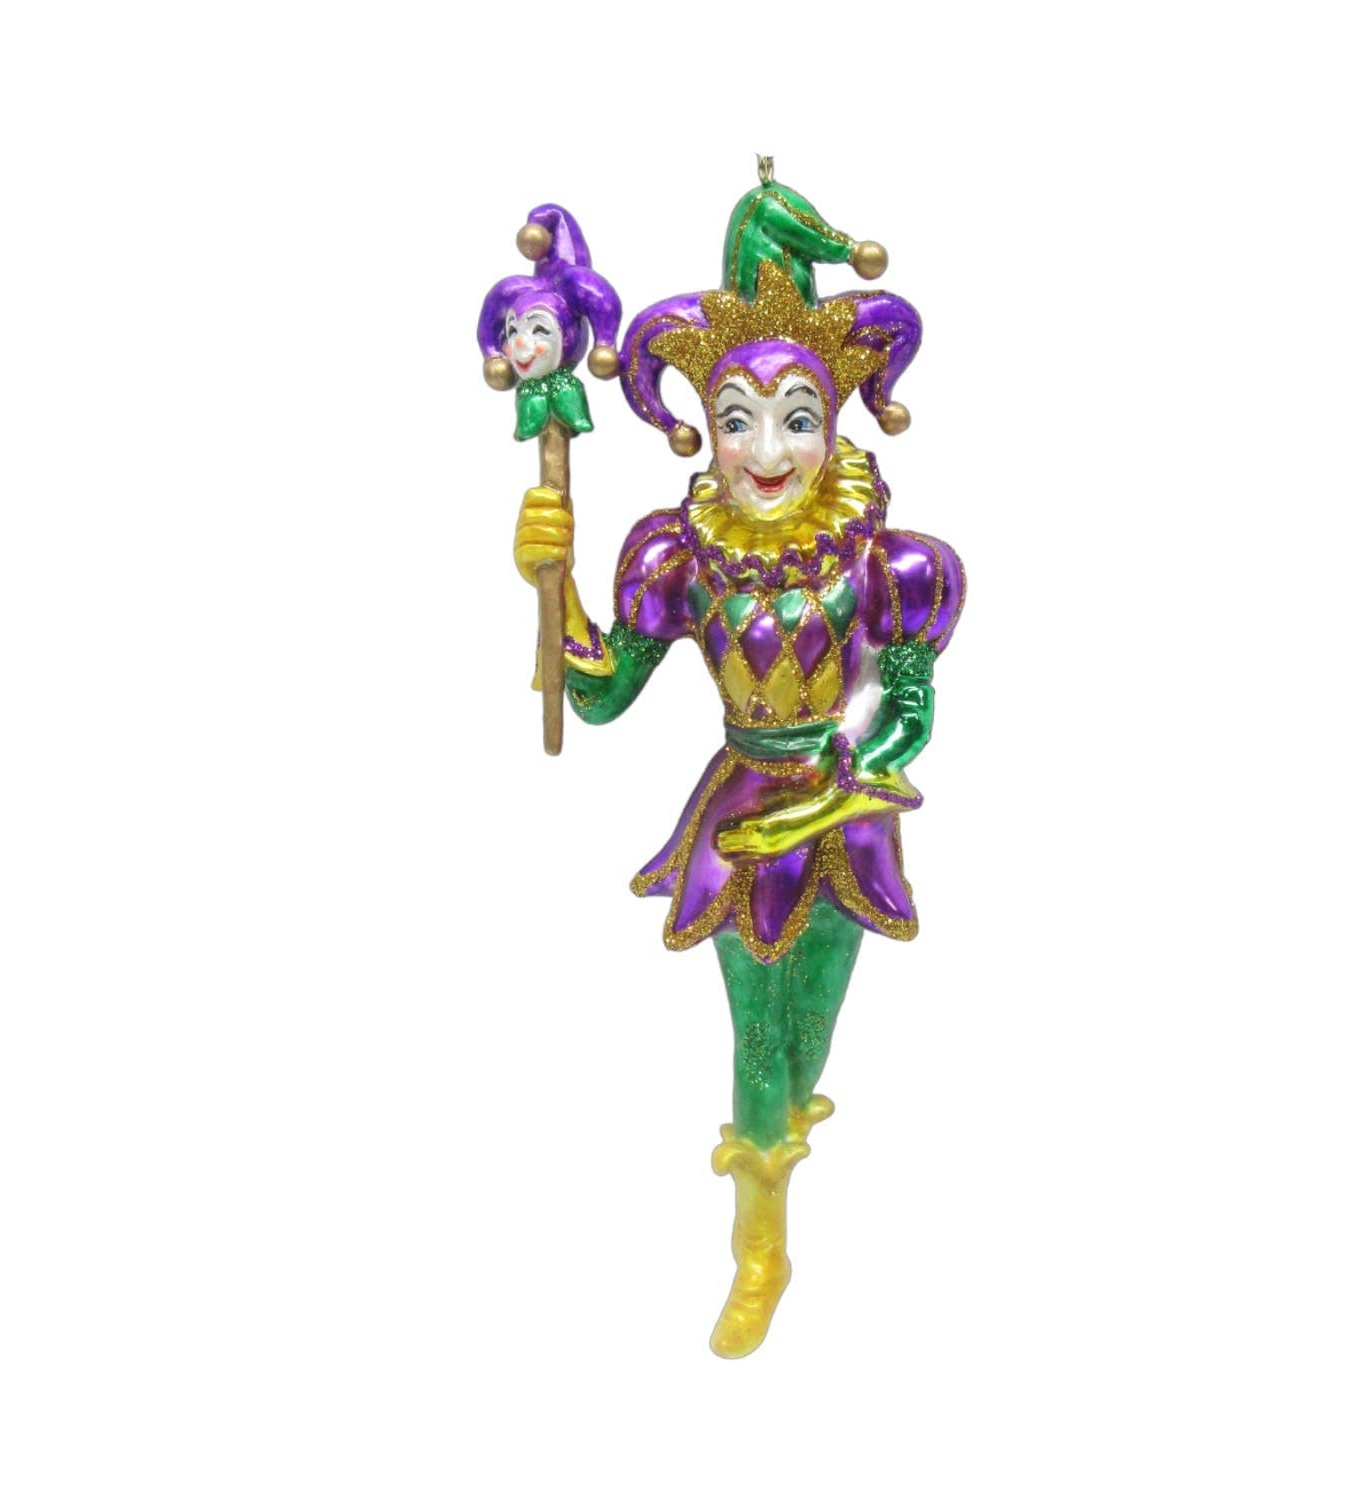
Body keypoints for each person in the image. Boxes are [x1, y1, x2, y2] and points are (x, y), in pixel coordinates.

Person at [512, 166, 964, 1357]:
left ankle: (783, 1164)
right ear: (705, 426)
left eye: (798, 418)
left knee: (810, 1034)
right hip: (738, 811)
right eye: (739, 419)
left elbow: (910, 715)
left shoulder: (892, 566)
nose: (768, 450)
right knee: (755, 1037)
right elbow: (598, 693)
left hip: (843, 813)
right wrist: (551, 583)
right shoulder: (676, 556)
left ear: (838, 421)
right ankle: (759, 1248)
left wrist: (847, 782)